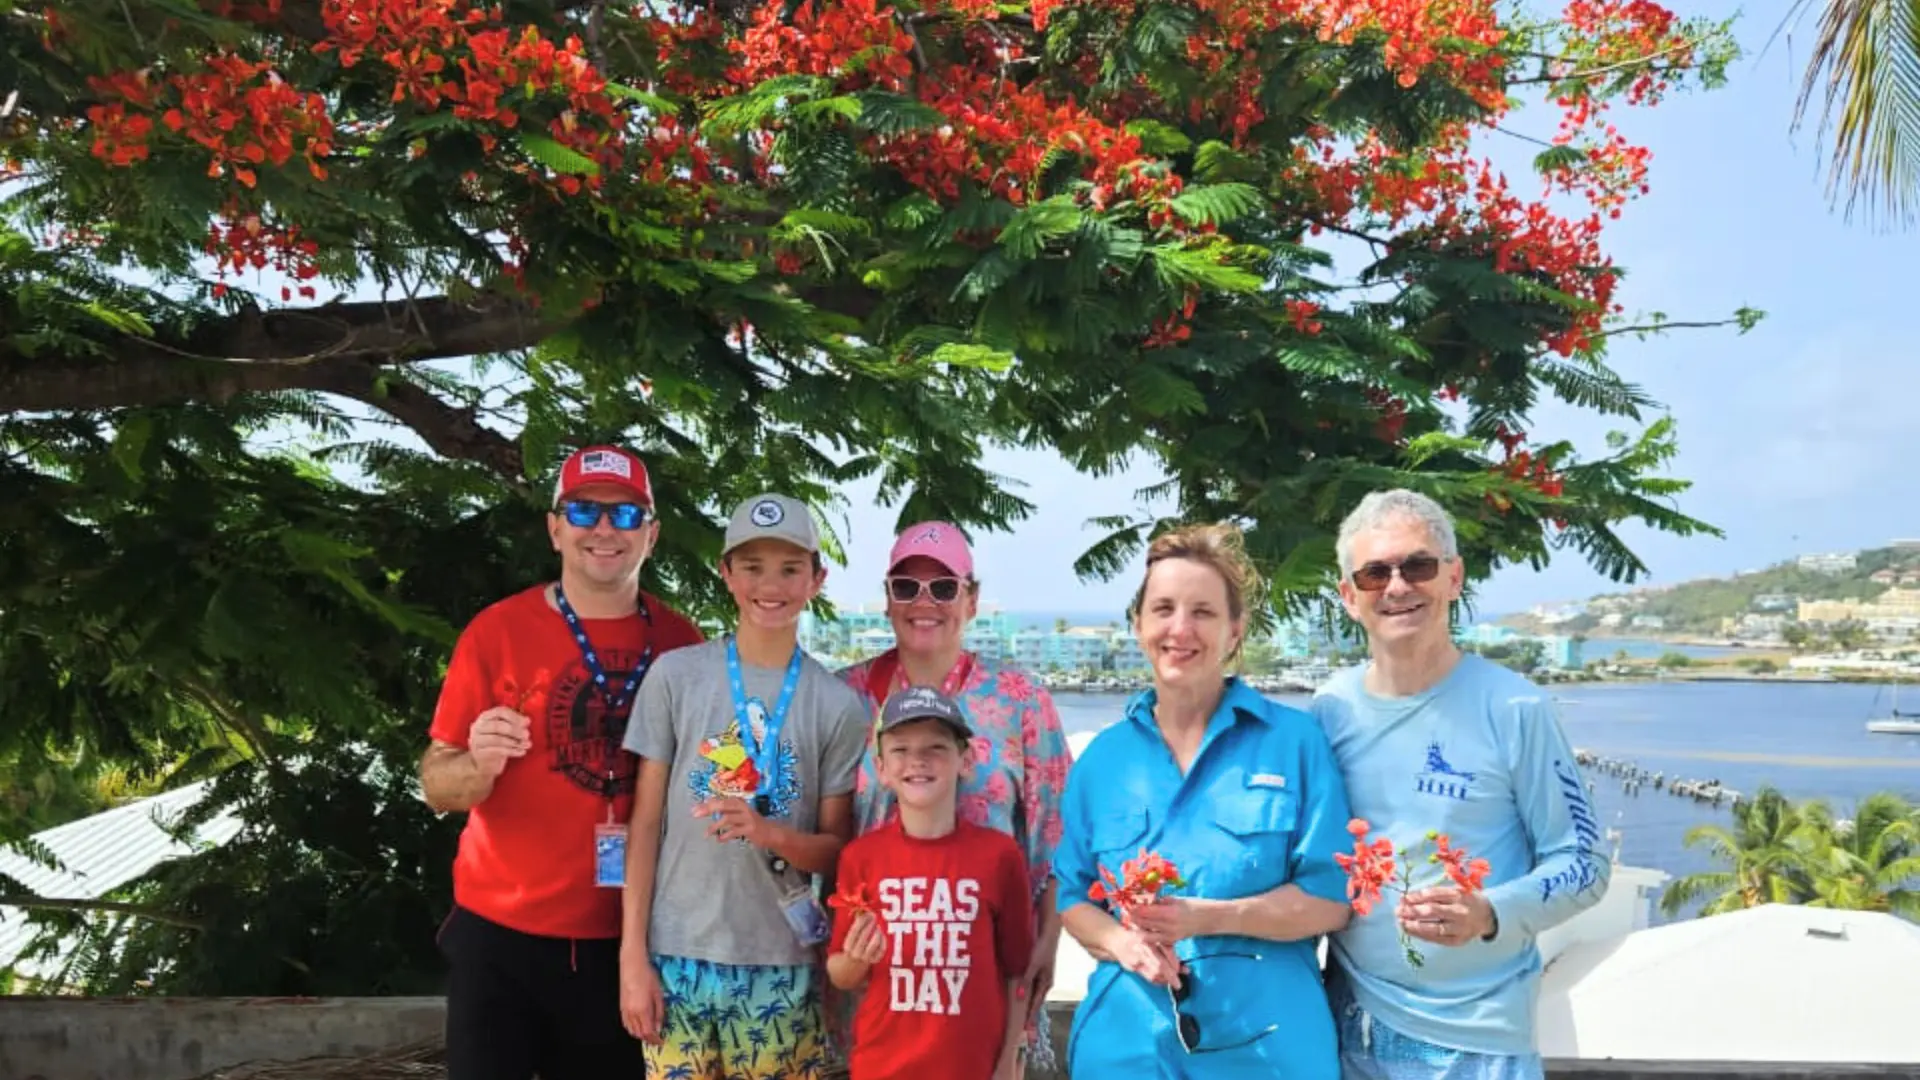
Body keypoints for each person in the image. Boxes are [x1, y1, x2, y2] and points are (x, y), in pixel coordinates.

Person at [420, 444, 706, 1080]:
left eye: (627, 516)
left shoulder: (683, 643)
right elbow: (436, 785)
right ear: (555, 527)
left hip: (627, 942)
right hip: (500, 934)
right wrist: (477, 766)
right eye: (585, 511)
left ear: (652, 536)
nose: (605, 529)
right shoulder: (495, 632)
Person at [1311, 489, 1611, 1080]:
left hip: (1480, 1045)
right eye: (1375, 574)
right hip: (1350, 1030)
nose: (1398, 587)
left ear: (1453, 577)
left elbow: (1584, 862)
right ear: (1349, 596)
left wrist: (1490, 911)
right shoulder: (1328, 711)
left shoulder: (1516, 707)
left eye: (1418, 566)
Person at [1052, 523, 1354, 1080]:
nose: (1180, 628)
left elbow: (1331, 898)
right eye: (1163, 608)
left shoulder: (1294, 744)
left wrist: (1207, 918)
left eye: (1204, 612)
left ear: (1235, 631)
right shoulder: (1102, 761)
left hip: (1269, 1053)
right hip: (1125, 1051)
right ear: (1140, 625)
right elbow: (1072, 898)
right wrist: (1122, 942)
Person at [619, 493, 871, 1080]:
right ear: (726, 573)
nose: (771, 585)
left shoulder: (836, 705)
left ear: (816, 579)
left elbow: (836, 850)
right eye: (753, 566)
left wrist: (769, 833)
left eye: (790, 568)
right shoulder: (676, 677)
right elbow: (645, 823)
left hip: (782, 963)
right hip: (676, 959)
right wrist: (633, 956)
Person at [834, 522, 1070, 1069]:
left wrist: (1049, 940)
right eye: (906, 586)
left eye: (943, 588)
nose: (924, 602)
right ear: (887, 597)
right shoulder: (843, 697)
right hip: (875, 998)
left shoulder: (1021, 702)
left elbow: (1059, 836)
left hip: (983, 998)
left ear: (972, 599)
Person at [827, 686, 1036, 1080]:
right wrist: (855, 961)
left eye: (936, 747)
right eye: (900, 749)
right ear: (882, 768)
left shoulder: (999, 856)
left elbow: (1015, 972)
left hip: (972, 1068)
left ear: (965, 759)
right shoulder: (861, 857)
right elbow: (839, 972)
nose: (917, 760)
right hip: (881, 1066)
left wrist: (1010, 1057)